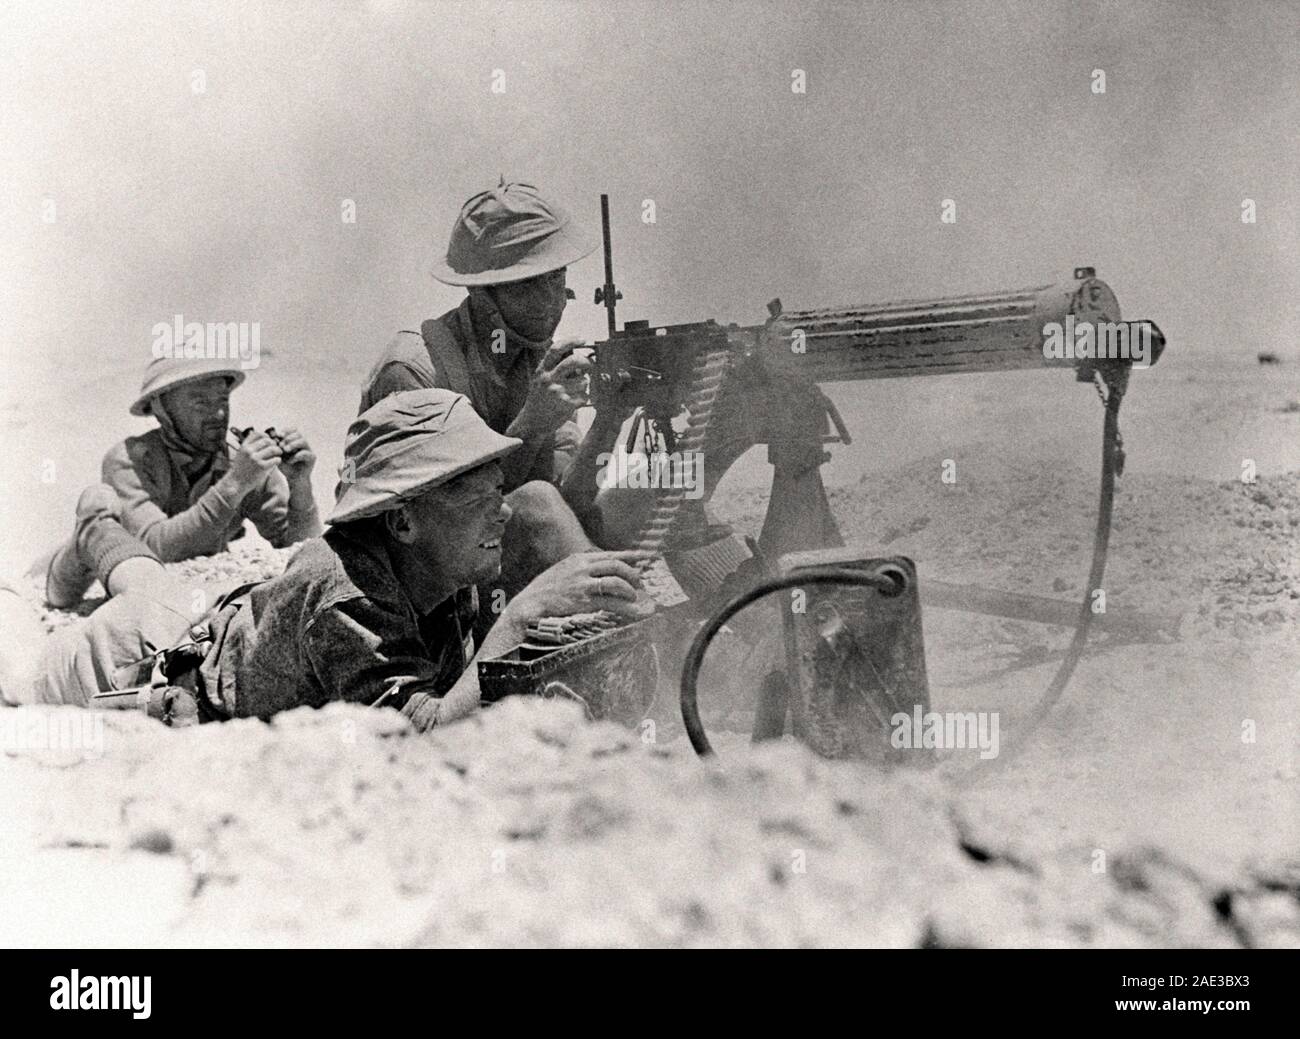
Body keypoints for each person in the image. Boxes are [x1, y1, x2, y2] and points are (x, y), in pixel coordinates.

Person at [1, 389, 650, 732]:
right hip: (138, 653)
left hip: (209, 615)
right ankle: (93, 521)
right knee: (21, 679)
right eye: (478, 498)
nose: (501, 513)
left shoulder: (436, 566)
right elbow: (413, 738)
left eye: (497, 492)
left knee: (145, 582)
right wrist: (516, 624)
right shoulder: (348, 594)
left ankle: (98, 523)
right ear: (403, 519)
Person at [357, 181, 641, 569]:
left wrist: (609, 421)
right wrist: (531, 425)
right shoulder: (416, 370)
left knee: (652, 488)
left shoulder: (535, 361)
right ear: (482, 293)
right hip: (427, 587)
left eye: (555, 277)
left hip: (501, 558)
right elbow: (441, 521)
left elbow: (567, 501)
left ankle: (735, 607)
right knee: (538, 501)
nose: (551, 301)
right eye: (526, 284)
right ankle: (620, 609)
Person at [38, 355, 322, 607]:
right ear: (161, 410)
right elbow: (152, 548)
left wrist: (300, 487)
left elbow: (299, 549)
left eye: (223, 400)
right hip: (86, 570)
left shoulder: (241, 462)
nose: (219, 415)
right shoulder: (130, 460)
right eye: (200, 403)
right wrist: (234, 484)